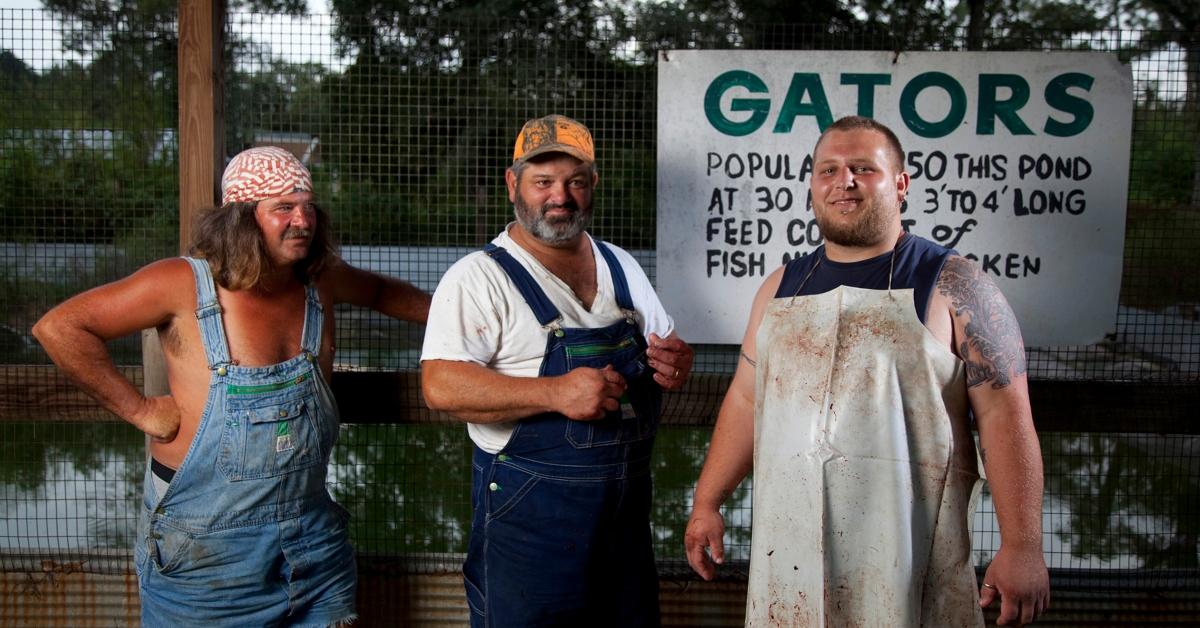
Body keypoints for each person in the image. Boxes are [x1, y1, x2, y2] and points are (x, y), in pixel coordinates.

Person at [32, 146, 431, 626]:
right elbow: (60, 328)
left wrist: (475, 323)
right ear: (241, 218)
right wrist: (138, 409)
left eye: (308, 207)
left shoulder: (319, 282)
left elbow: (388, 293)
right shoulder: (180, 283)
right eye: (283, 208)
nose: (302, 220)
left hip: (313, 547)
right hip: (205, 554)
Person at [684, 116, 1050, 627]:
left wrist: (1024, 546)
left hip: (910, 558)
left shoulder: (955, 284)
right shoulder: (780, 287)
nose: (844, 181)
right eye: (828, 169)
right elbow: (746, 399)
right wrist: (707, 501)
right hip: (788, 560)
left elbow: (1005, 417)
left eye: (863, 168)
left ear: (901, 184)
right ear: (812, 185)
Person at [421, 114, 695, 627]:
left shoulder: (622, 265)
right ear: (513, 185)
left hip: (624, 520)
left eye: (574, 181)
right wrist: (555, 393)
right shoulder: (478, 277)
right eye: (542, 181)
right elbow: (440, 386)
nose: (559, 197)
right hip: (530, 525)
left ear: (594, 186)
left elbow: (668, 346)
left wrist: (678, 363)